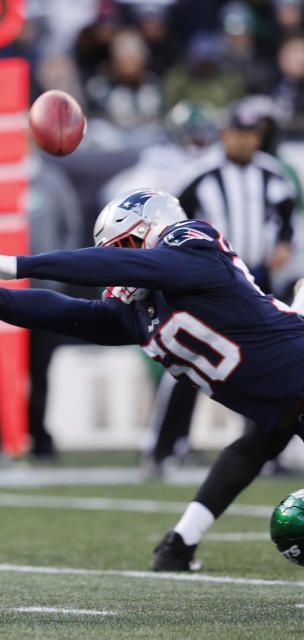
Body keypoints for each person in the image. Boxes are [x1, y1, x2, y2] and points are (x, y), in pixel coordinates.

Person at [0, 188, 304, 573]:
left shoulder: (195, 244)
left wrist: (22, 264)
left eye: (126, 245)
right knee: (259, 449)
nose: (119, 259)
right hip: (283, 403)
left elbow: (135, 267)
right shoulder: (137, 312)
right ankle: (180, 543)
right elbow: (62, 312)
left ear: (154, 229)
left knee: (292, 516)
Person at [145, 101, 297, 475]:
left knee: (268, 367)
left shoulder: (273, 174)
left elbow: (286, 219)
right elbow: (172, 225)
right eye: (239, 134)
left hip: (257, 282)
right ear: (224, 134)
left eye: (252, 135)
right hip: (210, 285)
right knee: (188, 362)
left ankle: (265, 453)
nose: (245, 142)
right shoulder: (199, 176)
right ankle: (162, 447)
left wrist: (282, 244)